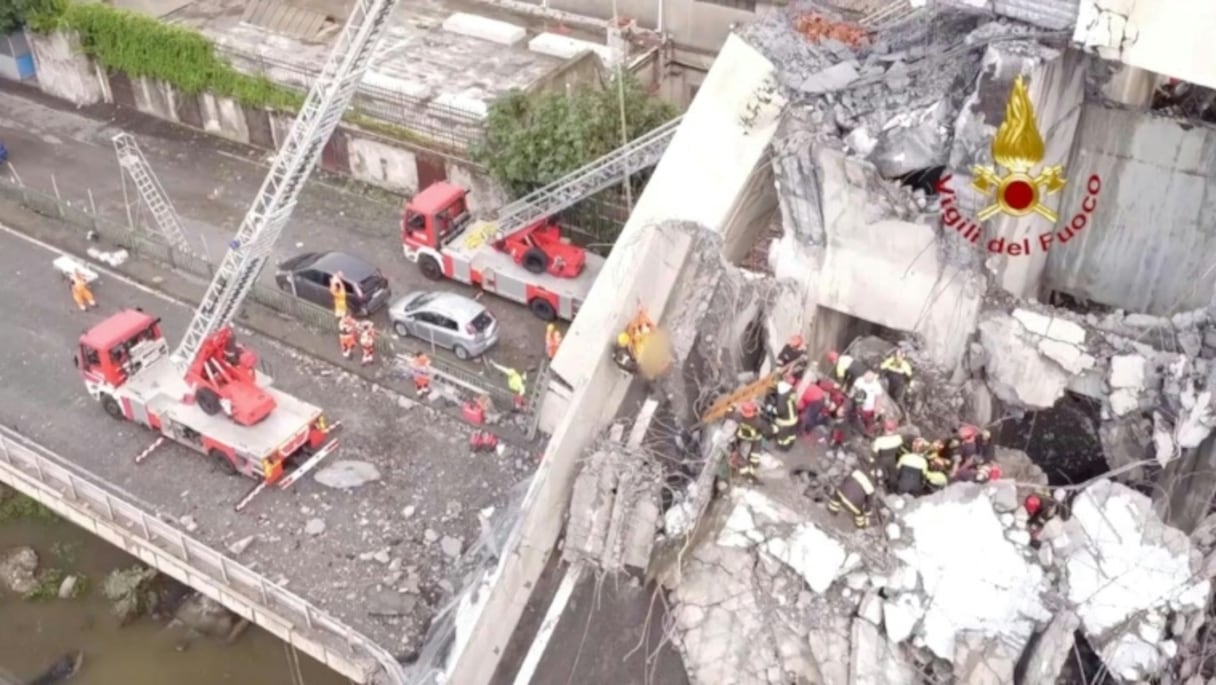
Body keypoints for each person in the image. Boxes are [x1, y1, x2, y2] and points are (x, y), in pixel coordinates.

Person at [732, 401, 766, 478]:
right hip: (754, 438)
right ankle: (754, 465)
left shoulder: (738, 417)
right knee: (756, 449)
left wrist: (733, 407)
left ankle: (746, 469)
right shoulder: (757, 421)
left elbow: (730, 415)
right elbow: (764, 428)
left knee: (742, 452)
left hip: (742, 436)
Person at [770, 381, 799, 451]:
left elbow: (780, 411)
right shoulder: (790, 391)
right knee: (791, 433)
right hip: (794, 417)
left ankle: (784, 447)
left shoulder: (781, 397)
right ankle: (791, 443)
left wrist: (772, 409)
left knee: (783, 437)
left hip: (786, 421)